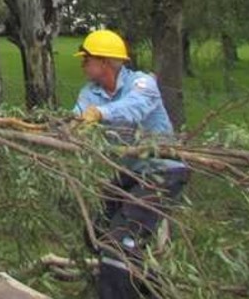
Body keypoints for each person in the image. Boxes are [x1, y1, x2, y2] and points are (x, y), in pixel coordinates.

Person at [73, 29, 190, 299]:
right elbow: (77, 118)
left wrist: (100, 113)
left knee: (120, 245)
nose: (82, 65)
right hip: (130, 172)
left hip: (162, 171)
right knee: (98, 234)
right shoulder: (91, 92)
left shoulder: (143, 84)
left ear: (104, 62)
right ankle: (150, 290)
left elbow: (133, 109)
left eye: (86, 59)